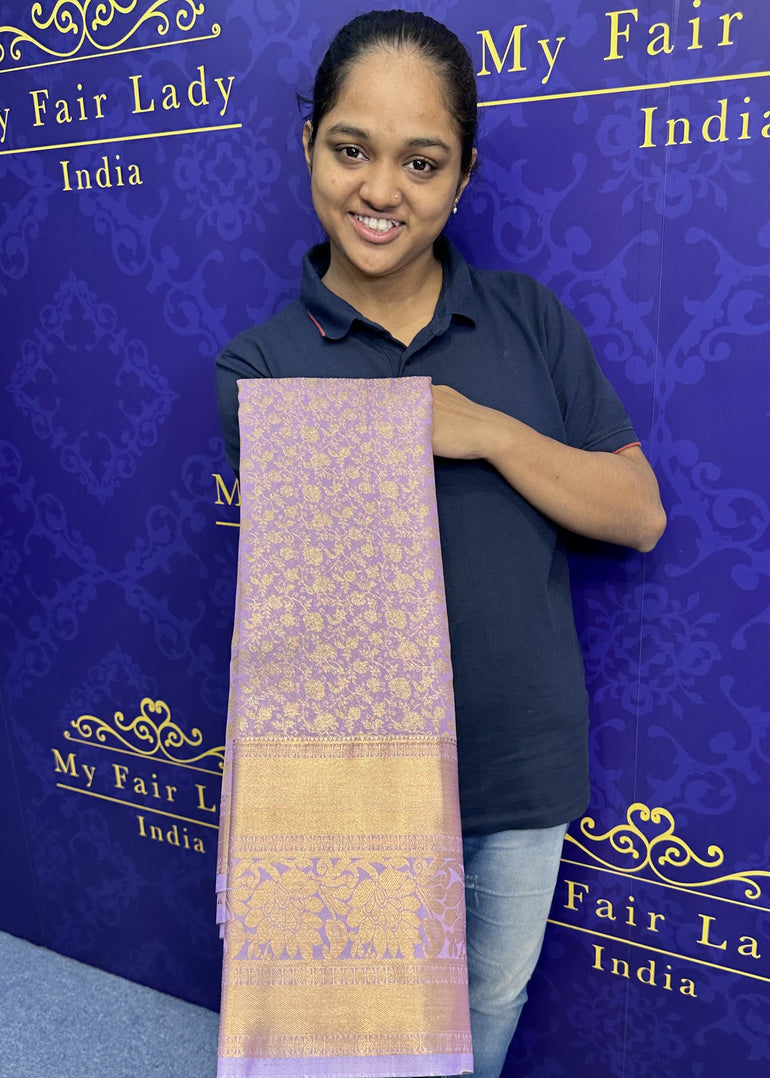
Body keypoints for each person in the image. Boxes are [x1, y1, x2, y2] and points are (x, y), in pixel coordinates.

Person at [216, 10, 666, 1077]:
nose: (381, 190)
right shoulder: (259, 370)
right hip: (347, 784)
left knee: (484, 1011)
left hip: (518, 769)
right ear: (309, 145)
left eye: (421, 162)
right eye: (350, 149)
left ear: (462, 178)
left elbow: (637, 512)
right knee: (349, 1034)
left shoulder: (527, 320)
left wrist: (485, 430)